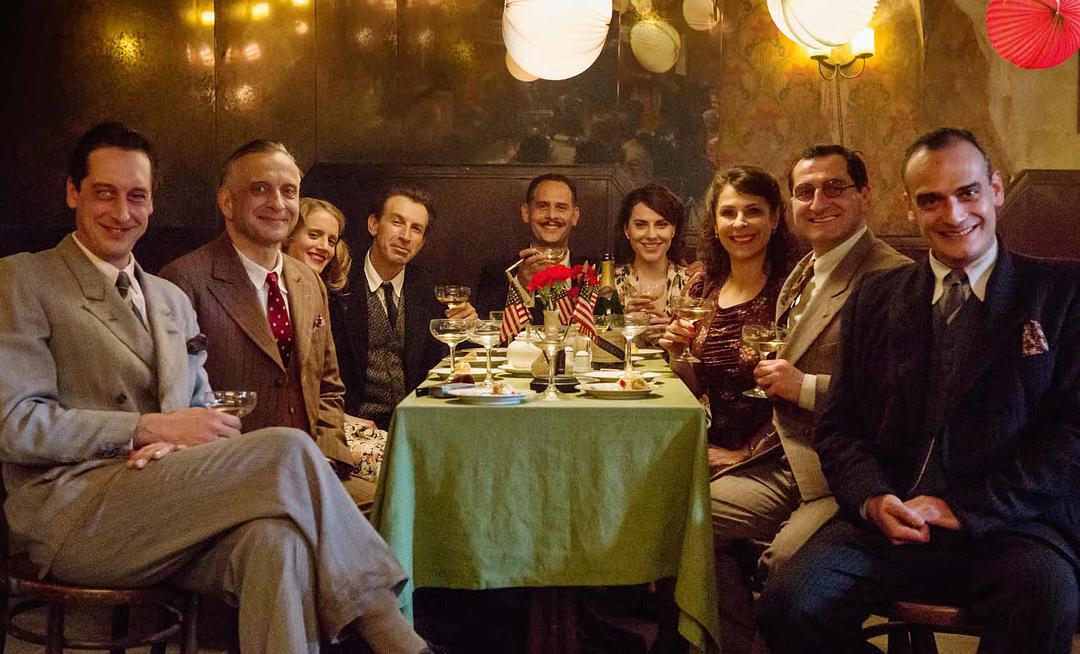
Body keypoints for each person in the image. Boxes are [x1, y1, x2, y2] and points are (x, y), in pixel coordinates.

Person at [0, 122, 430, 654]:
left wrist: (182, 441)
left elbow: (204, 412)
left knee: (278, 541)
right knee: (288, 448)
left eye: (137, 196)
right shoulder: (25, 280)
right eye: (104, 193)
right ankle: (394, 634)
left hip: (172, 499)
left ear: (152, 203)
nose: (122, 212)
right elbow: (14, 425)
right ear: (73, 192)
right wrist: (144, 429)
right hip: (77, 513)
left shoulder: (168, 298)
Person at [759, 127, 1080, 654]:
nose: (953, 214)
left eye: (968, 192)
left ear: (996, 189)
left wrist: (965, 509)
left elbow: (1070, 437)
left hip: (1012, 524)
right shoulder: (875, 297)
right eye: (931, 200)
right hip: (890, 519)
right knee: (789, 603)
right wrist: (872, 498)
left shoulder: (1061, 293)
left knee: (1048, 601)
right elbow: (840, 427)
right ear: (910, 208)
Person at [707, 146, 909, 654]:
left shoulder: (892, 275)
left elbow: (903, 397)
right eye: (805, 192)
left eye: (834, 188)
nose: (818, 202)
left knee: (786, 573)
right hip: (785, 462)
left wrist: (806, 387)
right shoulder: (804, 270)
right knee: (689, 519)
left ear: (865, 195)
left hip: (841, 475)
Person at [160, 140, 356, 481]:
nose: (278, 203)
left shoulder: (309, 280)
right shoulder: (183, 281)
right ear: (227, 202)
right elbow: (173, 405)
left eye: (289, 191)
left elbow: (328, 387)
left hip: (310, 469)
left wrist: (327, 459)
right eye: (260, 189)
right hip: (227, 477)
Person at [659, 166, 797, 467]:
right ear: (714, 223)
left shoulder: (793, 291)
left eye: (753, 211)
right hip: (706, 444)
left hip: (773, 456)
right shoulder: (703, 285)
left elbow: (797, 403)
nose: (739, 223)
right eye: (728, 213)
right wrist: (678, 353)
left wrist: (745, 454)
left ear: (774, 219)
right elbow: (693, 390)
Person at [331, 186, 476, 431]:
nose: (406, 236)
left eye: (416, 229)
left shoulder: (430, 290)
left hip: (415, 422)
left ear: (422, 241)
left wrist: (469, 328)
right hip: (353, 423)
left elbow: (458, 360)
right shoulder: (338, 283)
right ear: (374, 225)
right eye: (397, 223)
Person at [284, 198, 386, 490]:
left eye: (331, 240)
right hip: (290, 435)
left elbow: (328, 384)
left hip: (328, 426)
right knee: (397, 463)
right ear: (288, 235)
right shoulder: (274, 290)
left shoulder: (320, 290)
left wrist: (342, 419)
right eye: (314, 235)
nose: (324, 247)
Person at [474, 173, 594, 323]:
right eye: (542, 206)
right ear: (526, 213)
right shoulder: (496, 272)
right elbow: (486, 326)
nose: (552, 216)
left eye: (561, 208)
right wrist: (520, 285)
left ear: (575, 216)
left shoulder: (595, 271)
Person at [613, 183, 689, 344]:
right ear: (627, 230)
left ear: (673, 230)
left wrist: (677, 336)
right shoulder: (606, 286)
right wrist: (621, 326)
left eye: (661, 225)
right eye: (641, 225)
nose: (651, 235)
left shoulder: (692, 285)